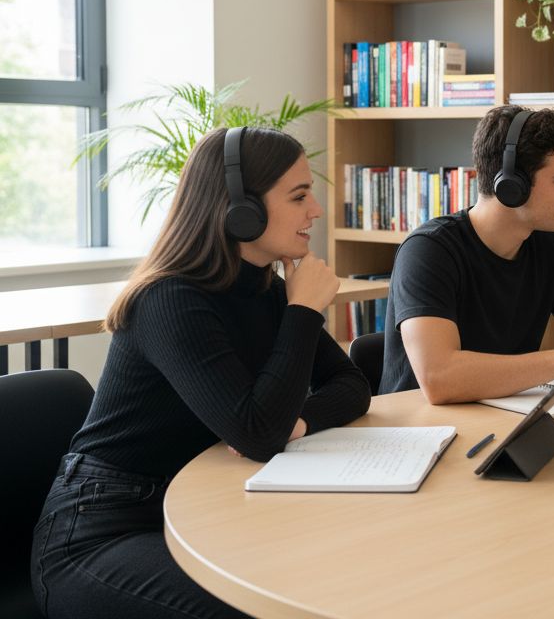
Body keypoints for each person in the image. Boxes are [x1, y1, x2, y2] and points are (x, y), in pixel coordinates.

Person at [30, 127, 371, 619]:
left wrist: (296, 421)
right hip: (102, 531)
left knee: (335, 578)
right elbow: (257, 434)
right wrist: (304, 314)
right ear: (240, 209)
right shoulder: (170, 299)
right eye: (299, 196)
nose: (316, 210)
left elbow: (352, 386)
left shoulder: (269, 290)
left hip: (203, 511)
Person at [380, 105, 554, 403]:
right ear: (512, 185)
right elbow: (439, 378)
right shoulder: (429, 251)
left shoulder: (550, 245)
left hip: (503, 419)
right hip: (421, 430)